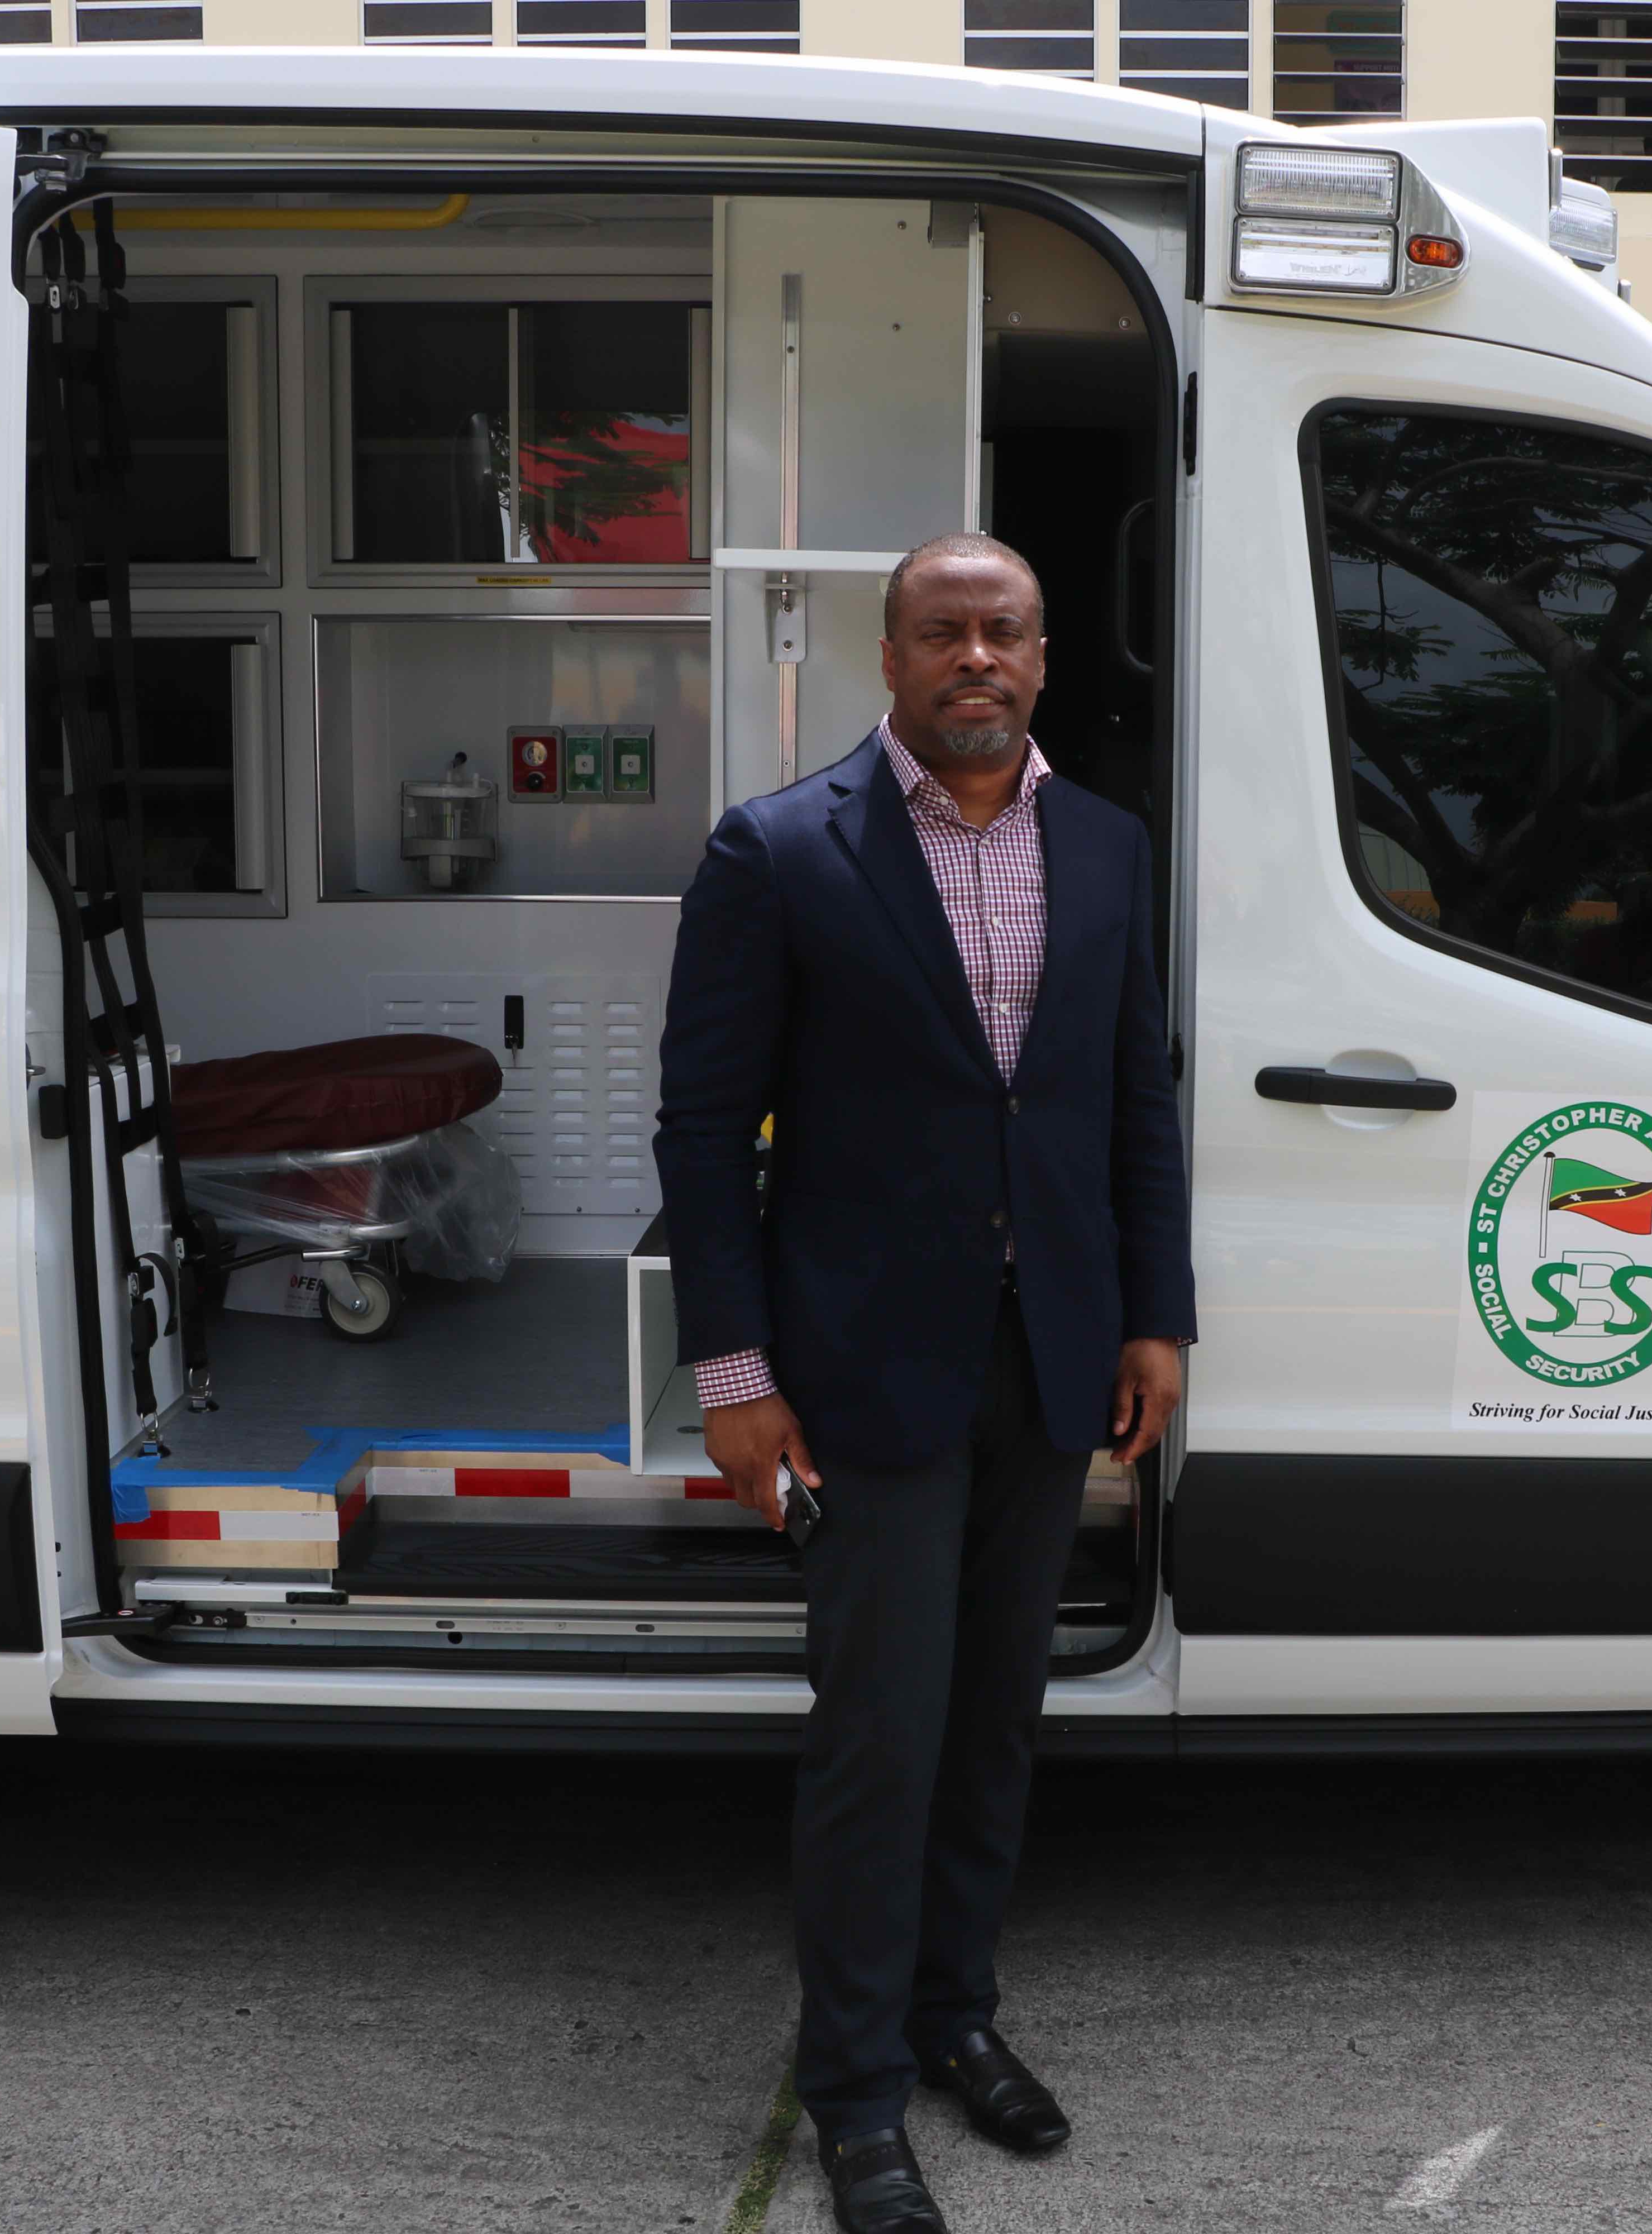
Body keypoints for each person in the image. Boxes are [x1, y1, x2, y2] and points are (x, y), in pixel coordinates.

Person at [656, 532, 1193, 2234]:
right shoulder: (780, 852)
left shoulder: (1104, 849)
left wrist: (1152, 1314)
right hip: (864, 1370)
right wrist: (734, 1374)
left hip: (1047, 1365)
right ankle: (856, 2092)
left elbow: (1128, 1109)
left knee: (995, 1728)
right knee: (882, 1739)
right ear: (887, 658)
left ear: (1044, 657)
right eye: (944, 631)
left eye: (1008, 630)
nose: (979, 657)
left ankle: (957, 2019)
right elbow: (700, 1130)